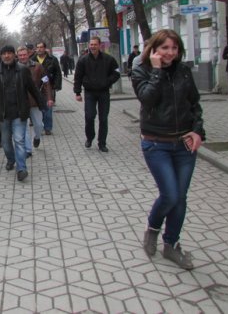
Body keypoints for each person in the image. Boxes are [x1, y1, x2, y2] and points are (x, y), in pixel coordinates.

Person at [131, 29, 205, 270]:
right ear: (154, 49)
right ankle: (153, 228)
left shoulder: (183, 71)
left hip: (184, 143)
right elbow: (147, 99)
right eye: (165, 48)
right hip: (156, 143)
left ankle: (171, 244)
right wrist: (156, 71)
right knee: (170, 194)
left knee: (180, 198)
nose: (170, 53)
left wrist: (198, 131)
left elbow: (194, 104)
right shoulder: (141, 70)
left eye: (174, 48)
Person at [0, 45, 46, 182]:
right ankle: (11, 159)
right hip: (2, 114)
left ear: (14, 55)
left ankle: (21, 168)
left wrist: (42, 104)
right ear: (1, 55)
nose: (7, 56)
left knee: (19, 140)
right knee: (5, 142)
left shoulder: (22, 70)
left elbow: (33, 88)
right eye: (4, 53)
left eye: (9, 53)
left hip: (19, 112)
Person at [73, 36, 120, 152]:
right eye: (91, 44)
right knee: (89, 117)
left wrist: (108, 81)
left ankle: (102, 143)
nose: (93, 46)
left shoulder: (108, 59)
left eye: (95, 44)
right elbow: (77, 77)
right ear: (89, 46)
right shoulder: (83, 60)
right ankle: (89, 137)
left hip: (104, 93)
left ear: (100, 45)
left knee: (103, 119)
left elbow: (116, 72)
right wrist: (77, 92)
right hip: (89, 93)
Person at [17, 46, 53, 157]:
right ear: (17, 56)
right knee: (25, 127)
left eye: (24, 54)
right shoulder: (14, 67)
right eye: (20, 55)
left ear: (28, 54)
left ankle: (37, 137)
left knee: (38, 124)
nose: (23, 57)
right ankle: (28, 150)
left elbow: (46, 82)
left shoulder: (38, 67)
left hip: (35, 100)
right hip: (21, 101)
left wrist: (49, 98)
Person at [32, 41, 62, 135]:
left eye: (41, 47)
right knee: (38, 109)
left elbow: (58, 72)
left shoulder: (52, 59)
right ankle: (39, 126)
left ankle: (48, 128)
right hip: (36, 87)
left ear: (45, 48)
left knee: (48, 108)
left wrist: (57, 85)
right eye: (38, 47)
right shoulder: (32, 59)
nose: (39, 49)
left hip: (49, 86)